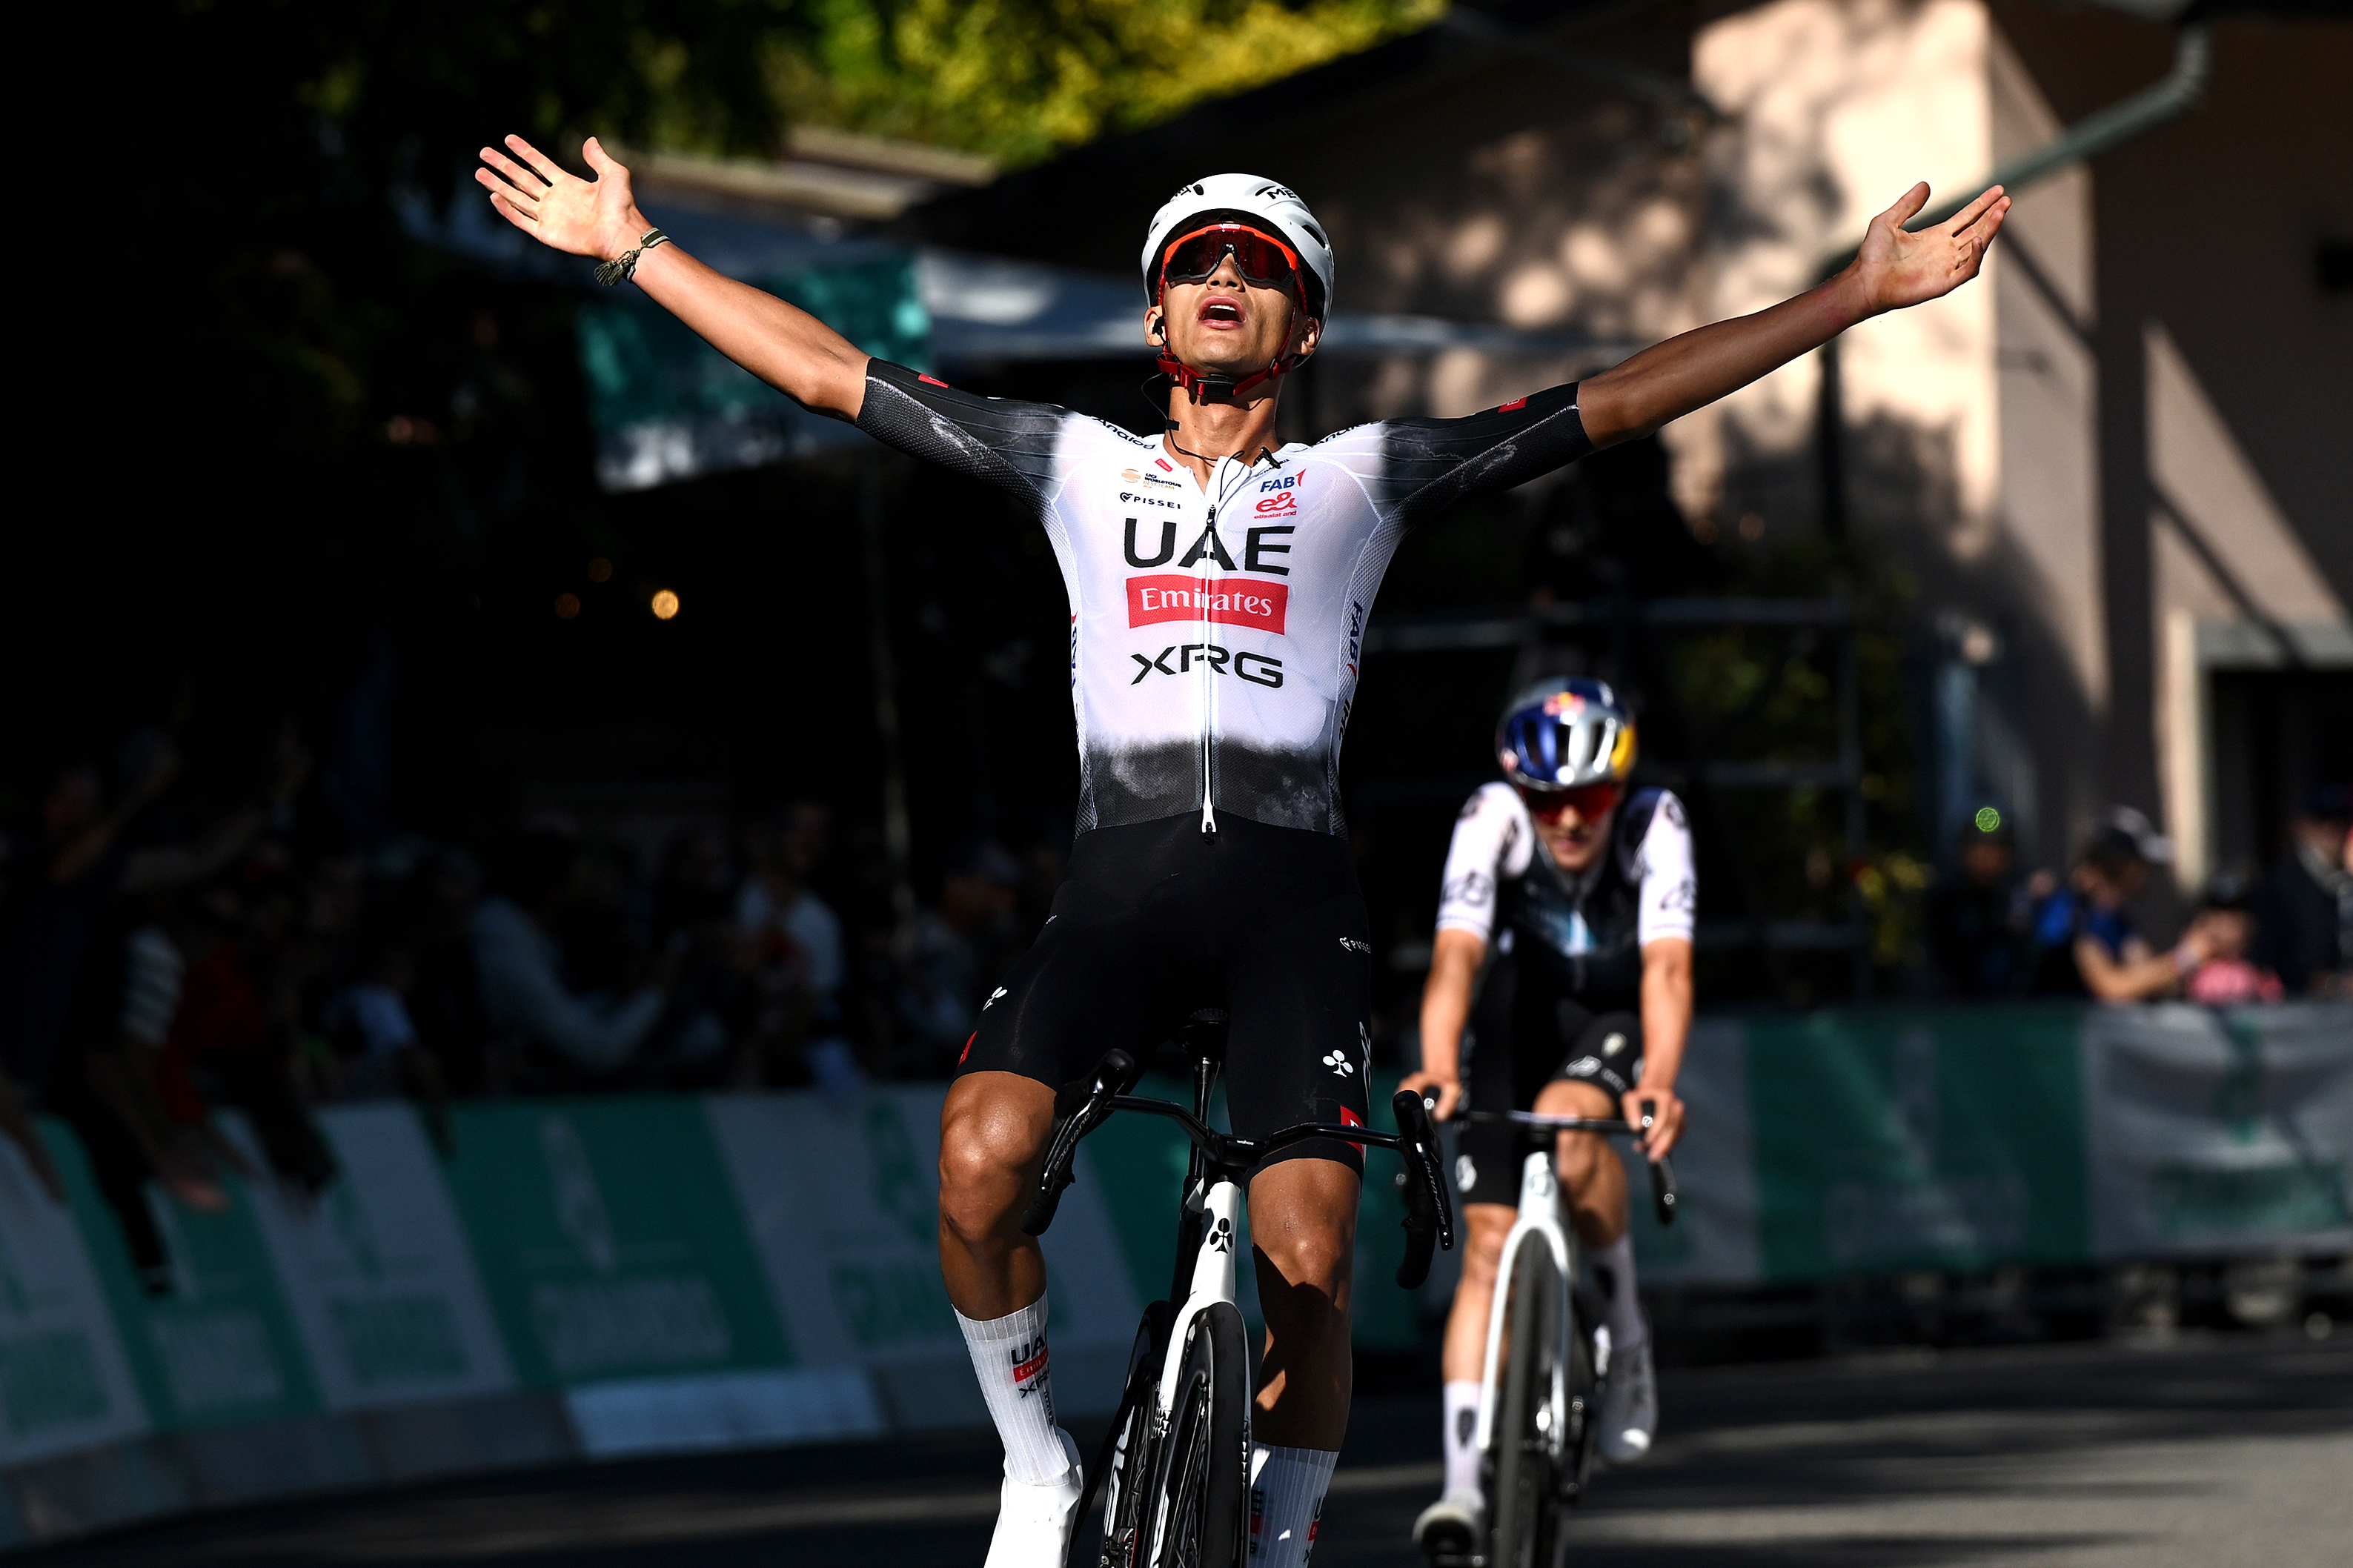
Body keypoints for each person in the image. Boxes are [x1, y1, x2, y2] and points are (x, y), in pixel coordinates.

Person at [475, 132, 2008, 1565]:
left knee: (1313, 1254)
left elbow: (1614, 400)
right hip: (1118, 895)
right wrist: (634, 249)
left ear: (1304, 325)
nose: (1225, 278)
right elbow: (826, 372)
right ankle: (1033, 1462)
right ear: (1158, 324)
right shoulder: (1071, 458)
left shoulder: (1364, 477)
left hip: (1291, 909)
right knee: (978, 1160)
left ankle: (1276, 1540)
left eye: (1260, 265)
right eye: (1196, 263)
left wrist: (1853, 295)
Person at [1398, 680, 1691, 1554]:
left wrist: (1660, 1080)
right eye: (1549, 801)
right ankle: (1459, 1490)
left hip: (1610, 1015)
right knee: (1484, 1248)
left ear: (1620, 789)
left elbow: (1667, 971)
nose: (1568, 821)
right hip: (1517, 1015)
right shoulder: (1492, 814)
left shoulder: (1654, 822)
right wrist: (1439, 1063)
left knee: (1570, 1127)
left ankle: (1626, 1335)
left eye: (1589, 799)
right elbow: (1457, 952)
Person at [2027, 807, 2207, 1002]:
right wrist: (2188, 956)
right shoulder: (2070, 911)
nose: (2150, 873)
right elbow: (2113, 987)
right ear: (2123, 865)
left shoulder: (2115, 920)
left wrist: (2202, 948)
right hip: (2051, 1029)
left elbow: (2145, 972)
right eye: (2143, 863)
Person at [2254, 783, 2351, 997]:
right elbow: (2270, 958)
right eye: (2322, 820)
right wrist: (2326, 982)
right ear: (2305, 826)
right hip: (2300, 1011)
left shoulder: (2347, 882)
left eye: (2340, 821)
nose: (2332, 829)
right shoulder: (2283, 884)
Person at [1925, 809, 2029, 997]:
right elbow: (1947, 958)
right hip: (1959, 1010)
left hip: (2013, 1010)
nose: (1987, 858)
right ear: (1963, 853)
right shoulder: (1947, 900)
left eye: (1996, 849)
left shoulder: (2021, 895)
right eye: (1978, 849)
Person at [2181, 872, 2283, 1006]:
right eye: (2218, 918)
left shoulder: (2263, 973)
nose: (2226, 928)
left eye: (2235, 919)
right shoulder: (2188, 971)